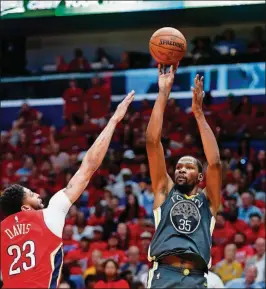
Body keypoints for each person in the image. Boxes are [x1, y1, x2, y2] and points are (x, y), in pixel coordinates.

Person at [0, 90, 135, 288]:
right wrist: (114, 120)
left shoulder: (2, 230)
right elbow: (87, 167)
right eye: (30, 194)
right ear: (25, 209)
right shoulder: (49, 214)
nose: (37, 193)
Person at [145, 65, 222, 288]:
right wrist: (163, 94)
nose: (180, 169)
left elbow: (215, 163)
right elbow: (152, 142)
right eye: (178, 167)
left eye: (188, 167)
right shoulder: (164, 191)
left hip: (197, 278)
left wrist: (198, 114)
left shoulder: (208, 202)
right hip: (164, 274)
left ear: (200, 177)